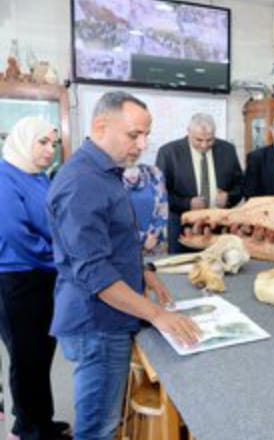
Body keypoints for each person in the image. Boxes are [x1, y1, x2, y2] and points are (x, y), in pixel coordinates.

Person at [47, 91, 201, 440]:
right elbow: (95, 273)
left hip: (107, 319)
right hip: (98, 324)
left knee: (105, 420)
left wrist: (143, 271)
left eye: (146, 135)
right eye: (134, 135)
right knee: (98, 429)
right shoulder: (82, 182)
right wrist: (157, 315)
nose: (142, 145)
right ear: (101, 127)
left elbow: (110, 241)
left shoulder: (103, 172)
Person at [0, 117, 70, 440]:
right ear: (22, 141)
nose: (49, 150)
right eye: (42, 142)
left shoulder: (38, 176)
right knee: (25, 357)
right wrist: (59, 257)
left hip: (44, 275)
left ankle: (41, 421)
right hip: (18, 279)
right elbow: (15, 235)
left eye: (52, 144)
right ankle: (28, 430)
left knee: (40, 355)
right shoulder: (4, 177)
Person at [156, 113, 244, 253]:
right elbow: (160, 195)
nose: (204, 145)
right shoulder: (168, 153)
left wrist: (229, 197)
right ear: (188, 132)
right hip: (183, 231)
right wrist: (187, 203)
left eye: (210, 140)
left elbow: (241, 185)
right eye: (199, 140)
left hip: (219, 229)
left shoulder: (228, 150)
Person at [122, 163, 169, 255]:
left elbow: (163, 207)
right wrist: (140, 238)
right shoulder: (109, 177)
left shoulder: (153, 173)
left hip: (154, 245)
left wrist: (153, 234)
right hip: (123, 246)